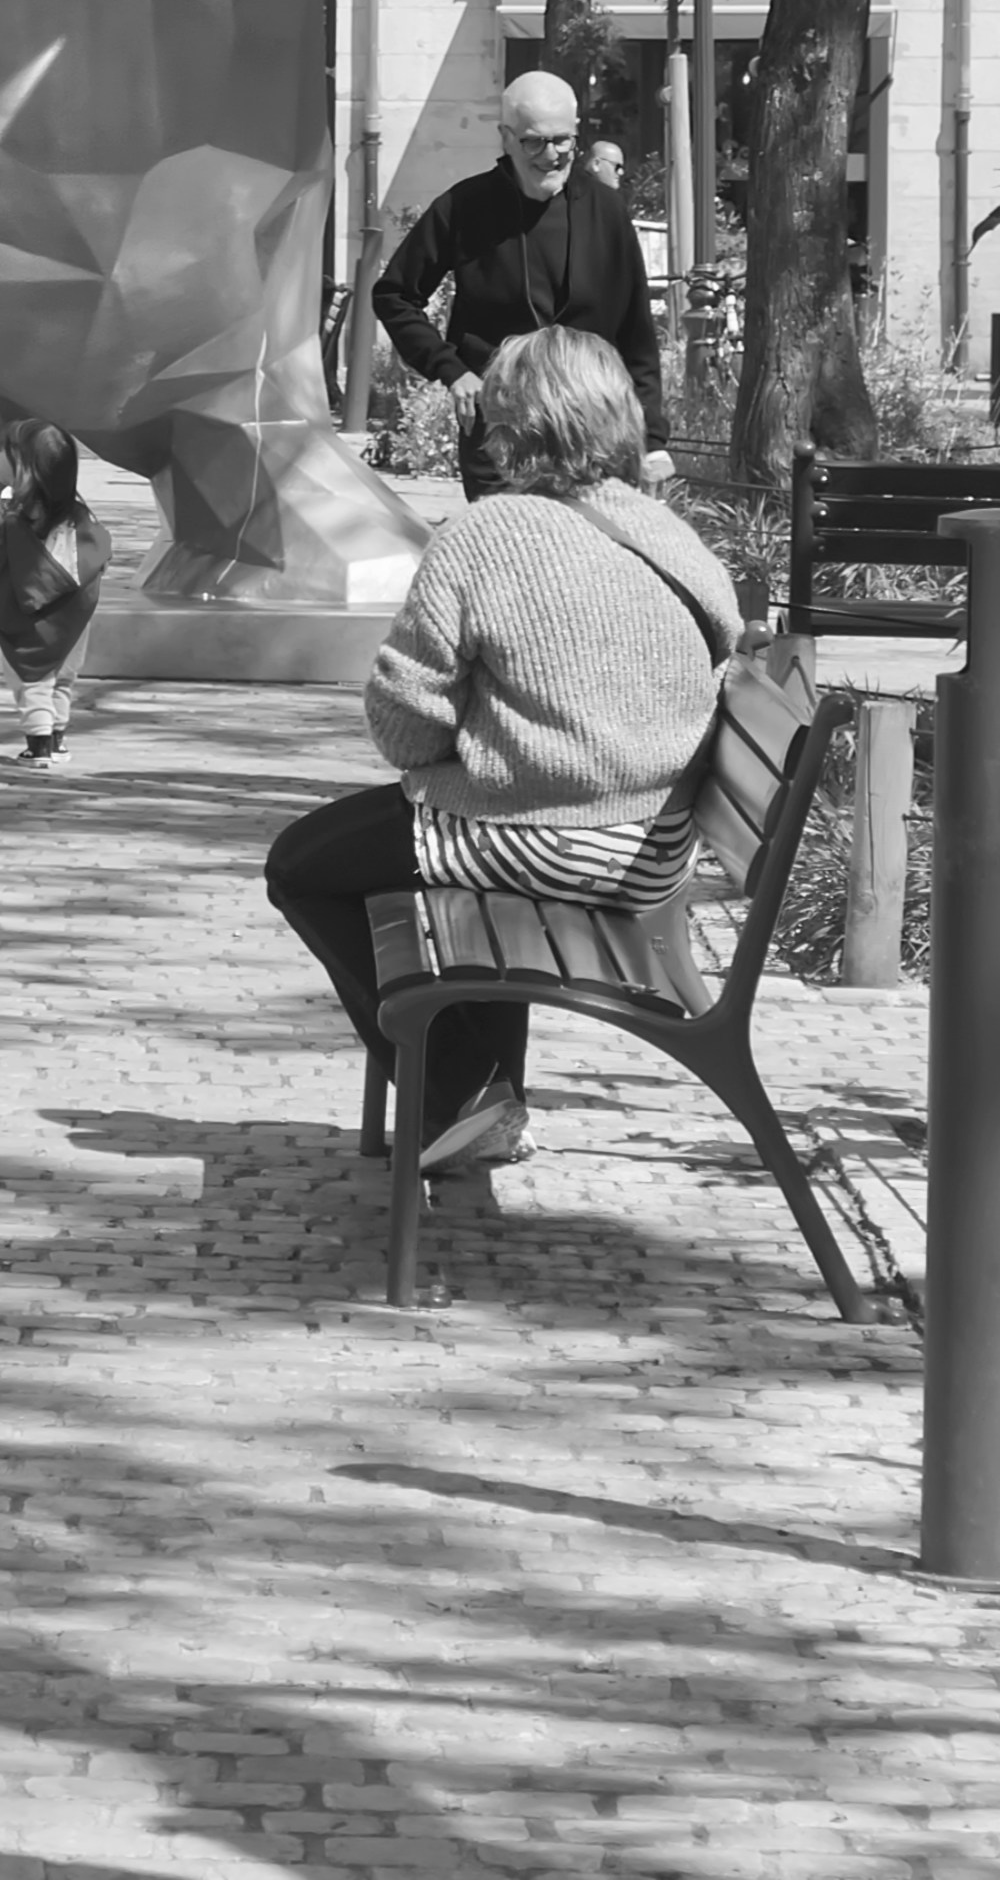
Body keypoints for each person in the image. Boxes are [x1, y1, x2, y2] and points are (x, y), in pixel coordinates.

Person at [262, 328, 739, 1174]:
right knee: (454, 851)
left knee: (301, 864)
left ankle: (462, 1091)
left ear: (514, 425)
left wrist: (465, 755)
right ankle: (483, 1091)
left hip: (555, 840)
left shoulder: (487, 534)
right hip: (657, 845)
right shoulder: (672, 536)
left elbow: (405, 728)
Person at [371, 71, 670, 497]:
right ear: (506, 138)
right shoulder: (465, 207)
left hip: (590, 429)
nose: (551, 155)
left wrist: (652, 442)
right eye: (534, 142)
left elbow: (636, 332)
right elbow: (395, 295)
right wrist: (451, 370)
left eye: (562, 140)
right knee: (507, 538)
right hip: (501, 428)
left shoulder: (607, 211)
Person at [0, 417, 108, 763]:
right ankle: (58, 740)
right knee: (63, 674)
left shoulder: (1, 516)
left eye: (4, 452)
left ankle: (38, 742)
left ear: (21, 468)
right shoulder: (78, 516)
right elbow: (97, 552)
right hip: (71, 614)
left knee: (30, 676)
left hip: (24, 611)